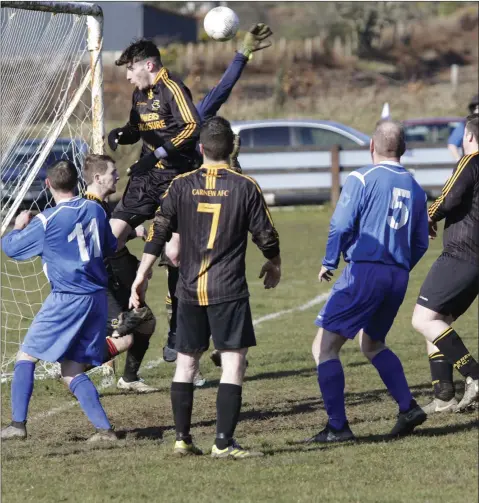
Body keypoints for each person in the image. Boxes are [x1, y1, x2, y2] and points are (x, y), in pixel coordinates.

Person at [129, 116, 281, 458]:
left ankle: (182, 439)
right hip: (228, 289)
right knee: (233, 363)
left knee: (186, 364)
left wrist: (143, 273)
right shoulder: (245, 186)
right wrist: (274, 262)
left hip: (189, 290)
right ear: (230, 150)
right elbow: (266, 235)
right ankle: (224, 443)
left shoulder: (180, 185)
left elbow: (159, 231)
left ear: (200, 149)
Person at [308, 120, 429, 443]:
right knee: (372, 343)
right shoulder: (417, 189)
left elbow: (340, 224)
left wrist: (329, 260)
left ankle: (338, 426)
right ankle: (408, 407)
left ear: (371, 146)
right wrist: (398, 267)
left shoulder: (362, 177)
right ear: (402, 149)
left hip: (365, 272)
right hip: (397, 276)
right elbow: (421, 243)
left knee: (324, 347)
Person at [1, 160, 118, 441]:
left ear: (48, 184)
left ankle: (17, 425)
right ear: (77, 182)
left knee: (26, 355)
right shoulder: (95, 209)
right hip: (97, 299)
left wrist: (17, 227)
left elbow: (11, 249)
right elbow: (111, 245)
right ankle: (104, 431)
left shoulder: (47, 219)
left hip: (68, 298)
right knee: (71, 369)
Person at [412, 113, 479, 413]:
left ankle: (474, 375)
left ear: (468, 136)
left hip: (460, 254)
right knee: (438, 321)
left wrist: (428, 215)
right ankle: (443, 395)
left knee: (422, 319)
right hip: (473, 261)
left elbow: (449, 197)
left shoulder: (471, 160)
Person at [82, 154, 157, 393]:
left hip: (114, 281)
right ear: (97, 177)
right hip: (100, 287)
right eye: (112, 172)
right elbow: (106, 244)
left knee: (146, 321)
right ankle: (72, 369)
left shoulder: (103, 206)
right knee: (124, 337)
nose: (117, 175)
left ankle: (129, 378)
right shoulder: (90, 208)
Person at [447, 94, 479, 161]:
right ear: (473, 110)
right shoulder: (466, 125)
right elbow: (452, 145)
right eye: (477, 108)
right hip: (472, 164)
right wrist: (460, 161)